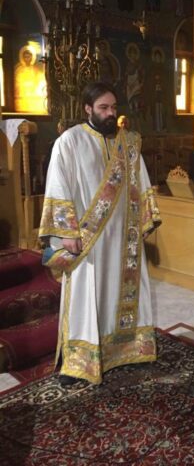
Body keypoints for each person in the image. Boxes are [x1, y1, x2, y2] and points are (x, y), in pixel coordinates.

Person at [39, 81, 161, 386]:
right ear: (88, 109)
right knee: (86, 295)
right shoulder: (70, 142)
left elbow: (142, 180)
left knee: (118, 294)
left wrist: (145, 220)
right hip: (88, 239)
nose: (110, 114)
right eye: (103, 108)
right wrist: (66, 232)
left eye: (113, 107)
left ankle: (125, 351)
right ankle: (79, 361)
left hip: (123, 238)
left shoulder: (128, 143)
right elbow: (57, 185)